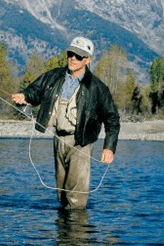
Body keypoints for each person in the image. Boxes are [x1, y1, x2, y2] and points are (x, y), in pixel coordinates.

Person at [12, 36, 120, 209]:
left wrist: (109, 147)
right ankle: (64, 233)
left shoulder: (98, 88)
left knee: (76, 198)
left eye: (78, 56)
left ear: (88, 60)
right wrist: (24, 96)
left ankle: (76, 232)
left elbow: (112, 119)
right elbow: (35, 91)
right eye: (71, 53)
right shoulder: (53, 76)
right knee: (62, 194)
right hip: (58, 139)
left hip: (81, 142)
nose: (72, 58)